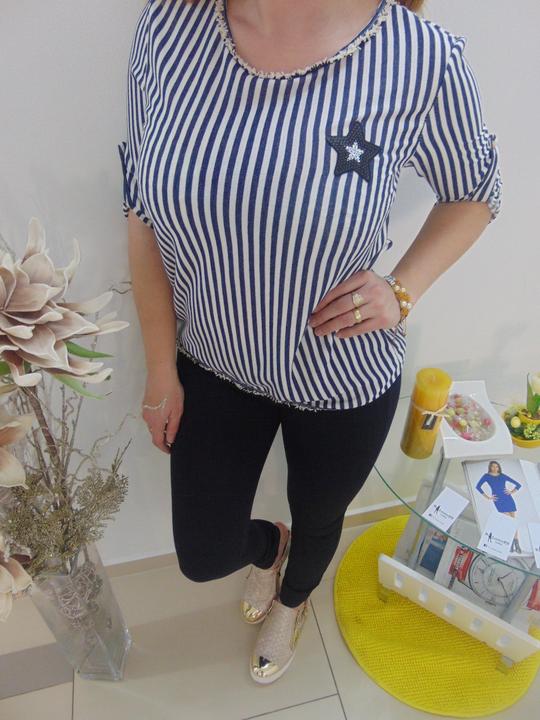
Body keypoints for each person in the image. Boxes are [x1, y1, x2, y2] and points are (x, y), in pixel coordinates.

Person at [118, 0, 502, 683]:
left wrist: (402, 289)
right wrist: (158, 367)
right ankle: (270, 548)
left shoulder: (420, 56)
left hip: (341, 376)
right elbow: (140, 209)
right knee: (203, 553)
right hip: (214, 360)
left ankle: (294, 600)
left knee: (321, 515)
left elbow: (476, 190)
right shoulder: (168, 25)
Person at [475, 461, 522, 553]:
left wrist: (511, 492)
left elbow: (518, 485)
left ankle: (516, 543)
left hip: (508, 499)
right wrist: (488, 497)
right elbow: (478, 486)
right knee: (509, 522)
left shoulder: (502, 475)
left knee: (513, 522)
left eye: (496, 467)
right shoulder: (486, 476)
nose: (495, 468)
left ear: (499, 467)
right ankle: (511, 543)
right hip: (498, 500)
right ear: (490, 467)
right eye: (493, 466)